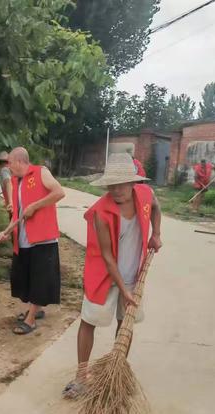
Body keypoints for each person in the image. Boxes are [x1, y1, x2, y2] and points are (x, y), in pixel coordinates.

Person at [63, 153, 162, 398]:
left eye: (122, 183)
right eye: (112, 185)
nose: (117, 190)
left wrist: (156, 234)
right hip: (104, 276)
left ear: (133, 182)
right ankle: (81, 377)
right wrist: (123, 289)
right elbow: (107, 257)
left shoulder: (145, 195)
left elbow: (157, 208)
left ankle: (116, 373)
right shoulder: (100, 212)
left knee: (124, 323)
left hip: (133, 274)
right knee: (89, 321)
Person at [0, 147, 65, 335]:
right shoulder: (17, 182)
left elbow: (59, 192)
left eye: (9, 162)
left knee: (39, 281)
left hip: (43, 240)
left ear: (19, 161)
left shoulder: (41, 172)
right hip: (24, 240)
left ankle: (31, 319)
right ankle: (38, 309)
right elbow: (16, 215)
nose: (8, 167)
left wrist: (35, 206)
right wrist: (5, 232)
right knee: (25, 278)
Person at [0, 151, 13, 219]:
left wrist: (10, 202)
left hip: (13, 205)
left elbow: (8, 182)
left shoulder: (4, 170)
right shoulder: (12, 171)